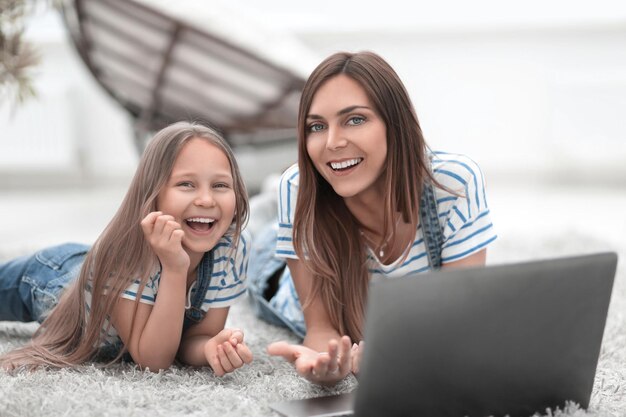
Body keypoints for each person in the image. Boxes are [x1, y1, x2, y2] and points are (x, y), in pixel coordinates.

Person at [247, 51, 497, 385]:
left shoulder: (453, 184)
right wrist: (326, 363)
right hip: (275, 269)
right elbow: (321, 329)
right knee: (247, 228)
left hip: (307, 207)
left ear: (395, 124)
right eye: (317, 126)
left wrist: (397, 354)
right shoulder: (298, 187)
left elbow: (458, 324)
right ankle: (267, 201)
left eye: (355, 119)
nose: (333, 142)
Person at [0, 122, 253, 374]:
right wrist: (175, 268)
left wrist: (210, 348)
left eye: (220, 185)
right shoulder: (124, 253)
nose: (206, 200)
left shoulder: (230, 248)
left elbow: (196, 337)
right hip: (58, 281)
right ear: (152, 194)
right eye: (186, 184)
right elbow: (153, 360)